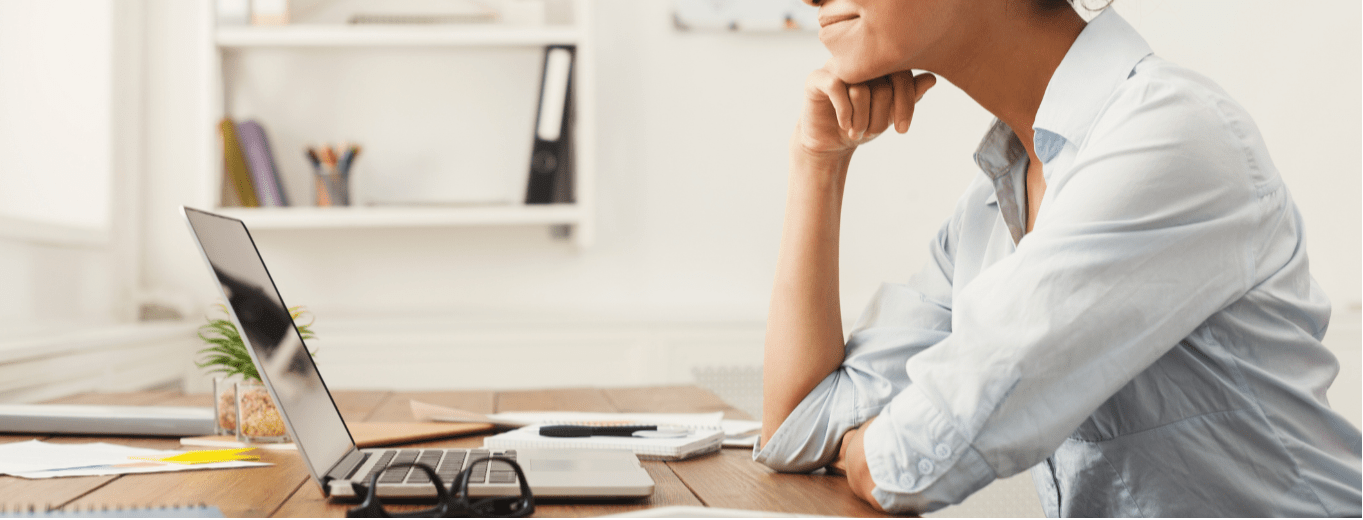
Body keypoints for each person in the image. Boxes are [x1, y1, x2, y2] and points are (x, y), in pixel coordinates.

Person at [754, 0, 1363, 516]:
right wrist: (818, 160)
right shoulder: (992, 209)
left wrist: (864, 449)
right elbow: (796, 430)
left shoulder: (1170, 133)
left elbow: (912, 462)